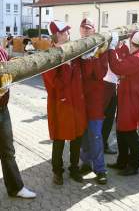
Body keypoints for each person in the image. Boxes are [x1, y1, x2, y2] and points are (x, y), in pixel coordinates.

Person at [42, 20, 87, 185]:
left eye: (67, 31)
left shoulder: (72, 51)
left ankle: (74, 168)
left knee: (77, 138)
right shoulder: (48, 56)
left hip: (76, 105)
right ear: (57, 35)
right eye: (64, 32)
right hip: (60, 106)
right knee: (59, 140)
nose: (67, 34)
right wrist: (67, 67)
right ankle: (57, 171)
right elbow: (57, 85)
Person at [107, 31, 139, 176]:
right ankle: (122, 161)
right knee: (121, 131)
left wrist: (111, 49)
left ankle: (134, 165)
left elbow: (118, 67)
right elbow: (122, 66)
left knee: (129, 132)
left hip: (131, 101)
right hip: (127, 99)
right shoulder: (136, 55)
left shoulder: (137, 58)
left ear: (131, 42)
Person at [0, 46, 36, 198]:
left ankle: (16, 188)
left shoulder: (1, 51)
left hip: (2, 109)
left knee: (8, 150)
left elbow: (10, 69)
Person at [79, 18, 108, 184]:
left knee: (95, 136)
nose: (85, 31)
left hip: (95, 102)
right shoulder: (77, 49)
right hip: (81, 102)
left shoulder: (101, 49)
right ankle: (86, 163)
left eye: (88, 28)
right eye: (83, 28)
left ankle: (100, 169)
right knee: (83, 136)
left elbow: (100, 74)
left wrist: (92, 58)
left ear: (93, 30)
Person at [102, 65, 118, 154]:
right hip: (107, 83)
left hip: (111, 83)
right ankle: (101, 145)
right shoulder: (110, 50)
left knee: (108, 118)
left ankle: (102, 144)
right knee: (106, 118)